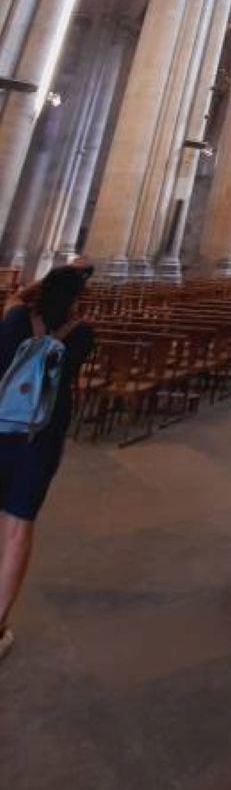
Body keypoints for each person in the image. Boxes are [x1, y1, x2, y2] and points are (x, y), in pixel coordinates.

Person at [0, 259, 95, 663]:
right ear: (79, 299)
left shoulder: (17, 316)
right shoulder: (83, 333)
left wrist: (55, 274)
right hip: (41, 439)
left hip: (1, 426)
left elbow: (14, 299)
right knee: (19, 529)